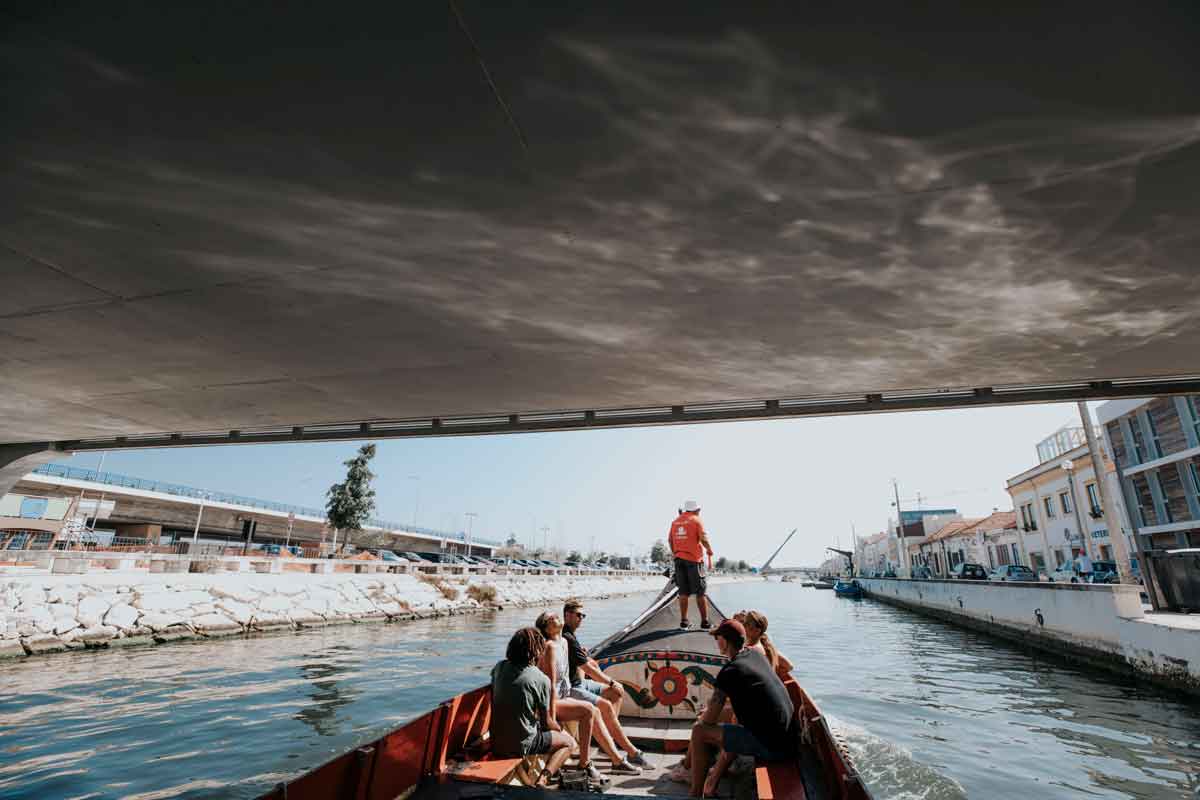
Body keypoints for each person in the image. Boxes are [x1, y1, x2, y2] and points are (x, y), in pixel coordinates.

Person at [685, 619, 795, 797]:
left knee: (699, 731)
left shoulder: (730, 671)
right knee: (731, 724)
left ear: (725, 642)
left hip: (773, 747)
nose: (716, 642)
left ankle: (696, 794)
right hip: (787, 738)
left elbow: (709, 720)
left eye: (717, 638)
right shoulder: (755, 656)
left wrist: (703, 717)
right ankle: (711, 786)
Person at [535, 612, 642, 778]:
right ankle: (585, 764)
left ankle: (617, 761)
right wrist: (551, 717)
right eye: (551, 618)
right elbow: (550, 685)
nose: (556, 616)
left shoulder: (563, 642)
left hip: (565, 694)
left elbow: (568, 675)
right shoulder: (549, 647)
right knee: (589, 710)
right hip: (552, 701)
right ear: (547, 628)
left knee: (597, 710)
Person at [561, 600, 650, 768]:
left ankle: (607, 739)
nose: (581, 618)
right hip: (572, 687)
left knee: (615, 693)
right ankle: (631, 752)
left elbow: (583, 661)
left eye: (583, 615)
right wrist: (611, 681)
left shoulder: (571, 635)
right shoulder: (567, 637)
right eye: (578, 615)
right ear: (567, 615)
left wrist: (612, 685)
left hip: (579, 682)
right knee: (606, 704)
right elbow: (587, 667)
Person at [490, 627, 575, 784]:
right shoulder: (541, 679)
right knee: (569, 743)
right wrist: (560, 730)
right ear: (537, 651)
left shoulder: (499, 668)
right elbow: (546, 724)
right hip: (520, 745)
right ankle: (543, 779)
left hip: (496, 742)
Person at [669, 500, 715, 628]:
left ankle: (684, 622)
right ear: (696, 510)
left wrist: (676, 552)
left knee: (683, 592)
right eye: (699, 510)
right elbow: (703, 538)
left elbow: (670, 540)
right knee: (700, 592)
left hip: (678, 560)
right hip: (694, 560)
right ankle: (705, 622)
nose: (699, 512)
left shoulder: (675, 522)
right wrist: (709, 550)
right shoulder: (696, 520)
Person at [735, 610, 794, 681]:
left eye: (745, 623)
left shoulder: (752, 650)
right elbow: (789, 666)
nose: (741, 626)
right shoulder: (766, 647)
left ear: (757, 630)